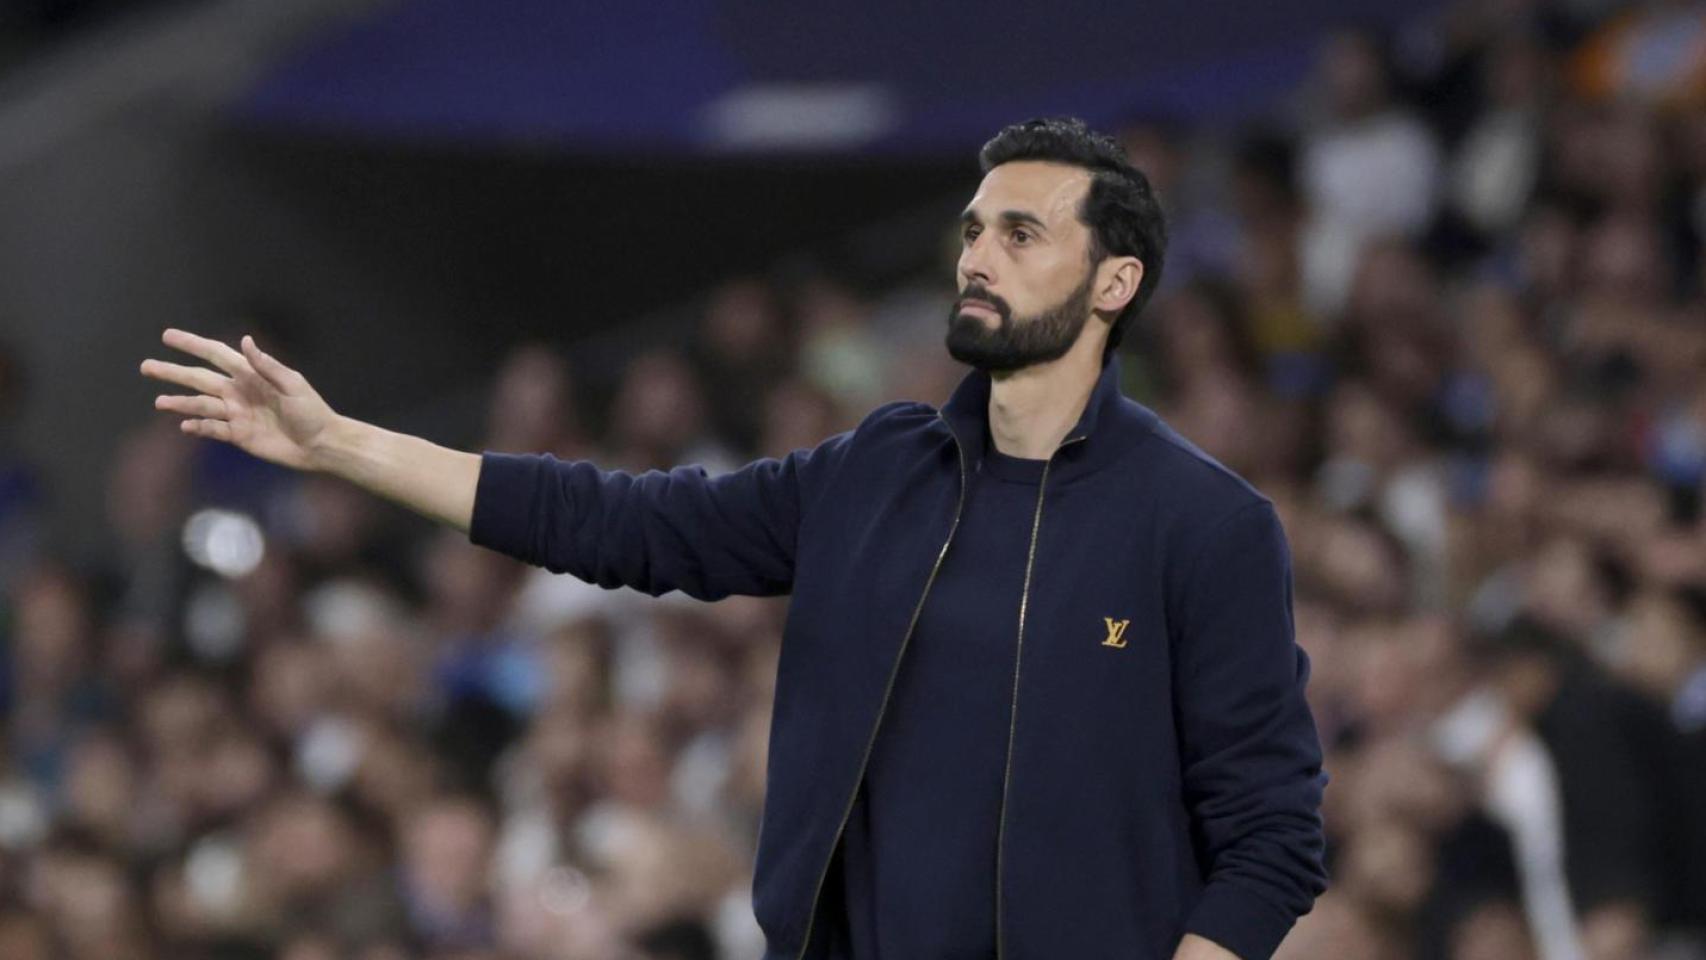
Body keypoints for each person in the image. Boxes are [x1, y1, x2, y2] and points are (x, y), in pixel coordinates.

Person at [140, 117, 1328, 960]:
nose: (974, 254)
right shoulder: (874, 473)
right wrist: (339, 444)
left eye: (1020, 234)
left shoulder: (1204, 526)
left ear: (1114, 282)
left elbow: (1271, 835)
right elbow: (614, 522)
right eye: (971, 228)